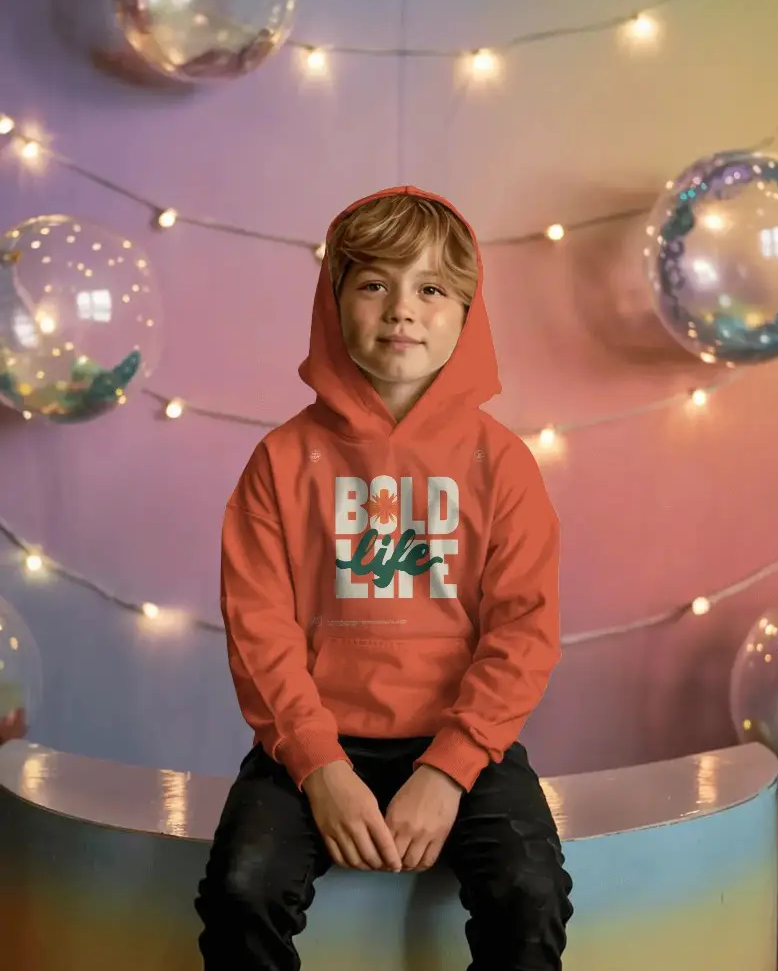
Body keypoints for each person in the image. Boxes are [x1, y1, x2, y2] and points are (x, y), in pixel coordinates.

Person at [195, 187, 573, 970]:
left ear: (468, 313)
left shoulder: (502, 465)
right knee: (241, 889)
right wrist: (320, 767)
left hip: (463, 740)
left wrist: (449, 768)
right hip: (311, 741)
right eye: (374, 284)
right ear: (333, 305)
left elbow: (523, 631)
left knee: (531, 893)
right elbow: (258, 630)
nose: (402, 308)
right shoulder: (281, 461)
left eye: (431, 287)